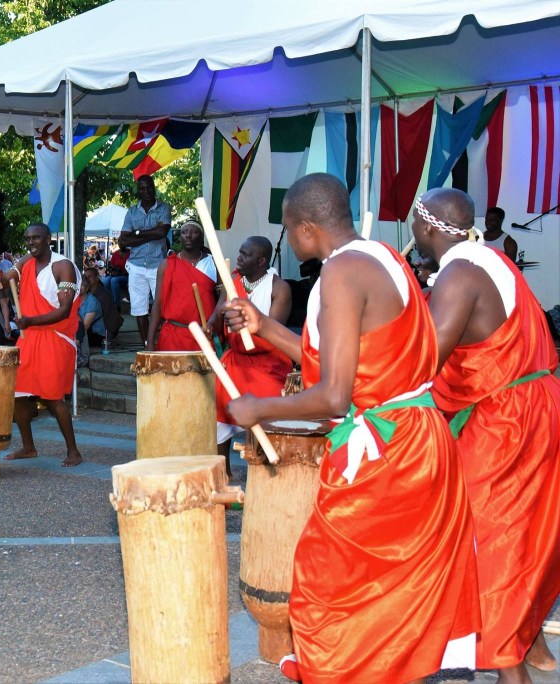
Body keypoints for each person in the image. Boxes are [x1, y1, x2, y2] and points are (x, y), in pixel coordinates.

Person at [222, 174, 480, 682]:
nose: (287, 241)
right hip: (418, 437)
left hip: (388, 450)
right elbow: (343, 364)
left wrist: (258, 408)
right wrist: (264, 326)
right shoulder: (382, 256)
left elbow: (335, 394)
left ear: (306, 228)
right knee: (395, 591)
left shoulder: (340, 273)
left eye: (287, 230)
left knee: (325, 585)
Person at [413, 188, 560, 682]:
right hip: (538, 403)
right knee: (529, 532)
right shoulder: (493, 261)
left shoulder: (458, 274)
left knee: (488, 539)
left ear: (427, 227)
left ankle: (509, 666)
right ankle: (531, 639)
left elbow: (423, 363)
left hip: (505, 422)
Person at [0, 223, 83, 467]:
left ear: (48, 239)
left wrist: (30, 320)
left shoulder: (63, 266)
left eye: (36, 238)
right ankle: (28, 447)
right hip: (29, 337)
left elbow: (64, 310)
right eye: (27, 238)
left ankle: (73, 451)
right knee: (17, 392)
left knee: (53, 396)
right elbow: (5, 282)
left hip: (56, 337)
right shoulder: (25, 262)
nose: (31, 243)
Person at [209, 236, 292, 462]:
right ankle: (223, 470)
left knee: (266, 422)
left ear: (261, 261)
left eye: (246, 255)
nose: (239, 258)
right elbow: (217, 315)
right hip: (236, 361)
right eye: (240, 252)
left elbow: (274, 333)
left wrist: (246, 324)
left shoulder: (280, 288)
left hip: (267, 364)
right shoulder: (232, 280)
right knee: (220, 417)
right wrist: (210, 325)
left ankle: (262, 468)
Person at [146, 220, 217, 352]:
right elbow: (158, 304)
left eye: (194, 232)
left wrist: (213, 322)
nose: (188, 235)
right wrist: (149, 341)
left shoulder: (213, 263)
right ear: (180, 237)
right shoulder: (167, 264)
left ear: (201, 237)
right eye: (184, 232)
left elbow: (224, 297)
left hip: (204, 336)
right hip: (173, 336)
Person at [119, 175, 171, 345]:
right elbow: (123, 241)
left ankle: (162, 342)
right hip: (136, 266)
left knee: (162, 307)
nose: (146, 191)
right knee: (139, 308)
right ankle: (147, 345)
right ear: (138, 191)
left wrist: (137, 233)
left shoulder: (164, 208)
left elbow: (162, 233)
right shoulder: (132, 212)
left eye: (149, 187)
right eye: (142, 188)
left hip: (158, 265)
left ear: (154, 187)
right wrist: (152, 232)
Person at [79, 266, 120, 348]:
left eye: (89, 277)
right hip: (85, 328)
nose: (87, 279)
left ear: (97, 278)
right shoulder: (77, 298)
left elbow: (108, 317)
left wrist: (108, 336)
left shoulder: (102, 295)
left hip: (98, 331)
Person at [102, 245, 129, 313]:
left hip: (127, 275)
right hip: (116, 274)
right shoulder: (116, 253)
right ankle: (109, 302)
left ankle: (117, 305)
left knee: (114, 280)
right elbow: (111, 265)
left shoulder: (130, 253)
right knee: (105, 281)